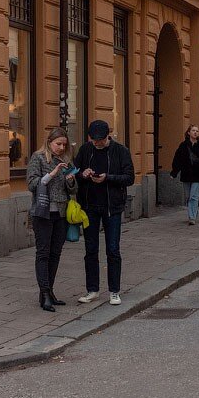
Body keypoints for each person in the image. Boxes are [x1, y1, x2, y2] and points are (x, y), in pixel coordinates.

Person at [74, 119, 135, 306]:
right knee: (90, 249)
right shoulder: (86, 150)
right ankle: (92, 289)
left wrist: (107, 178)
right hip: (90, 206)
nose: (97, 143)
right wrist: (83, 174)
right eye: (94, 140)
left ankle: (114, 291)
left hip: (112, 207)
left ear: (108, 136)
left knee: (113, 249)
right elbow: (75, 171)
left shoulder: (120, 151)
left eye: (100, 140)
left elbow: (129, 178)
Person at [26, 127, 76, 312]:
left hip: (61, 213)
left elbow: (73, 189)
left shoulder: (67, 160)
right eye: (58, 144)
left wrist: (70, 180)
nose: (61, 148)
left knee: (56, 253)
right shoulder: (38, 158)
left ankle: (50, 291)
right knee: (43, 253)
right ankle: (44, 293)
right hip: (42, 213)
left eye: (64, 144)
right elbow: (32, 184)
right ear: (49, 143)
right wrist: (52, 174)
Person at [171, 125, 199, 226]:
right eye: (193, 130)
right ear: (188, 132)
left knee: (194, 196)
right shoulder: (183, 145)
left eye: (197, 131)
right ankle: (194, 211)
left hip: (198, 175)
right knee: (188, 196)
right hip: (186, 174)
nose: (195, 132)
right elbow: (177, 159)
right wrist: (174, 172)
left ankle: (192, 217)